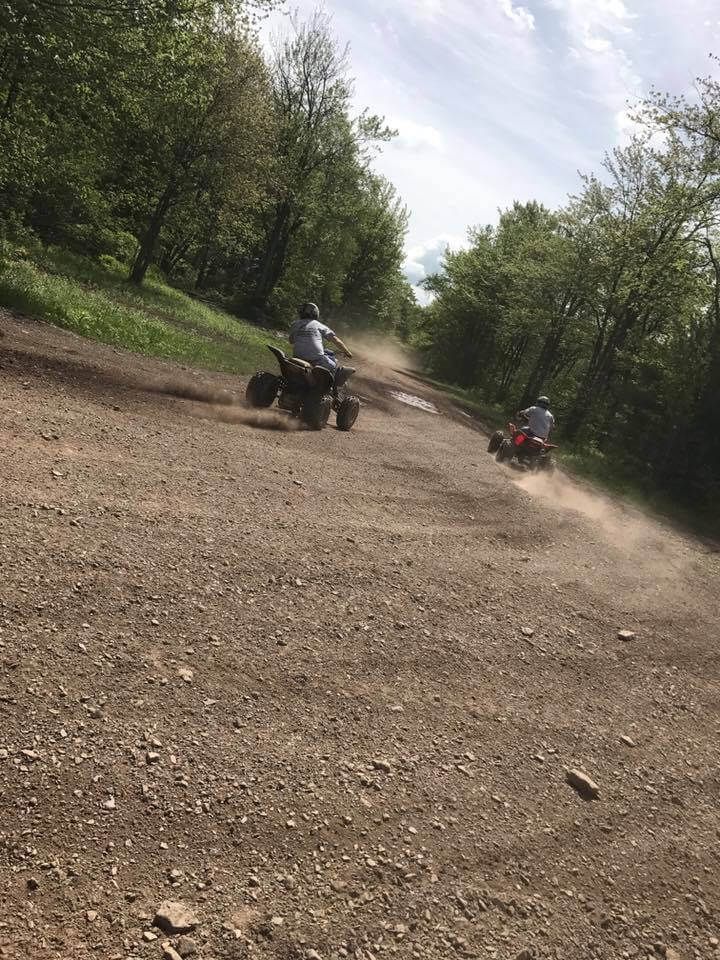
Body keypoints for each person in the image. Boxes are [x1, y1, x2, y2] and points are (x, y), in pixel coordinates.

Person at [289, 302, 353, 376]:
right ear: (315, 313)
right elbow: (336, 340)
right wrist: (347, 352)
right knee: (334, 366)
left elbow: (291, 341)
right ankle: (330, 387)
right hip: (316, 359)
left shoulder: (295, 324)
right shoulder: (319, 325)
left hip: (297, 356)